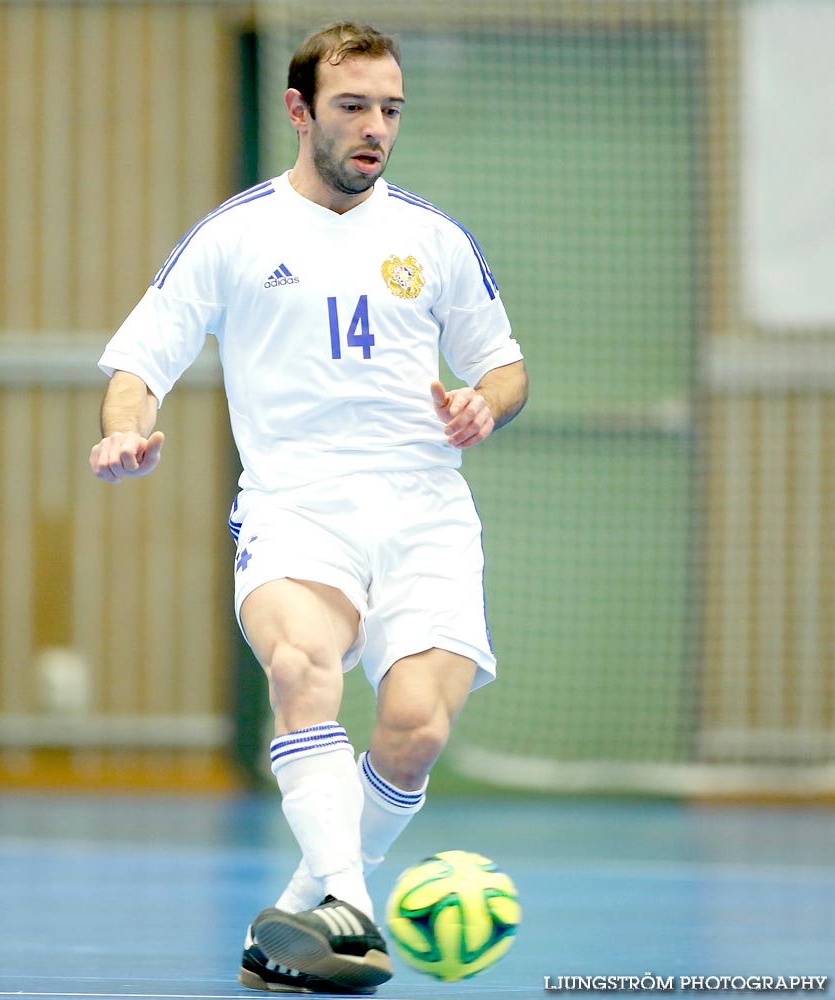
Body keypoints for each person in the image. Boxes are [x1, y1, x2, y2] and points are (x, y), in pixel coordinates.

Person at [90, 20, 528, 995]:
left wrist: (481, 404)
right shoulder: (237, 234)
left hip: (424, 510)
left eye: (389, 110)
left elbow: (502, 364)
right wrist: (127, 428)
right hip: (297, 506)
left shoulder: (432, 239)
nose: (374, 127)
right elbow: (139, 357)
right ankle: (355, 910)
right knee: (301, 667)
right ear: (298, 111)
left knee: (414, 727)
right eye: (352, 107)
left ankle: (308, 904)